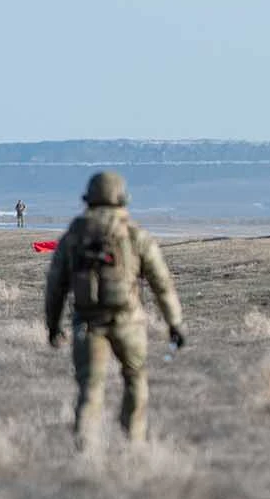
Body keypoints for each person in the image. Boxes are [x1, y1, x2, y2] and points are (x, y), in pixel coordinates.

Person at [45, 171, 186, 449]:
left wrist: (53, 325)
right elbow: (162, 283)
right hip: (128, 322)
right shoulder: (134, 235)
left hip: (88, 323)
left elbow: (55, 285)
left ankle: (85, 449)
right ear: (122, 198)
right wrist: (175, 323)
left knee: (91, 387)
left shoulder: (75, 234)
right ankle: (133, 443)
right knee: (135, 379)